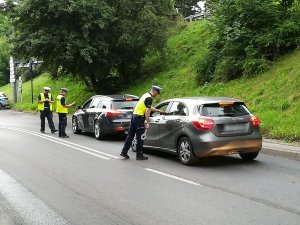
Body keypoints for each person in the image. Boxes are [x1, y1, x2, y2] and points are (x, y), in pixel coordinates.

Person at [120, 85, 164, 160]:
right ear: (155, 91)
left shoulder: (145, 95)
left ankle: (124, 152)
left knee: (130, 135)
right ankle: (139, 155)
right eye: (157, 93)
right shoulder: (149, 98)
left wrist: (158, 110)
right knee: (140, 137)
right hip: (139, 118)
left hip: (134, 116)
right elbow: (147, 111)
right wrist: (147, 122)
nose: (157, 95)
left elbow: (148, 107)